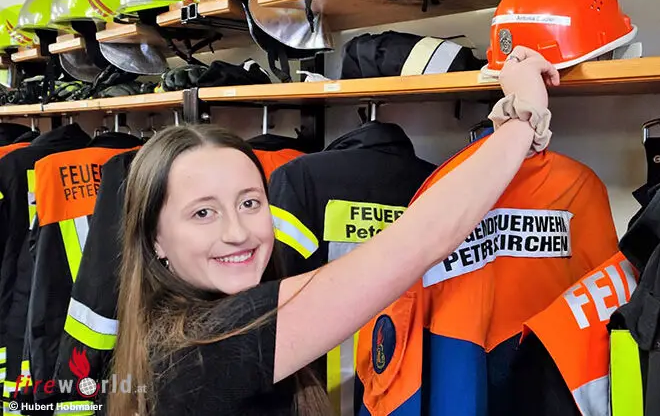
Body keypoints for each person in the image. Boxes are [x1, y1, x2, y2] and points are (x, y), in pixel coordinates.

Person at [108, 46, 560, 416]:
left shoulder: (176, 328)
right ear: (155, 238)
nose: (237, 232)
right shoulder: (210, 345)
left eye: (249, 203)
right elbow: (419, 240)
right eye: (203, 213)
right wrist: (523, 114)